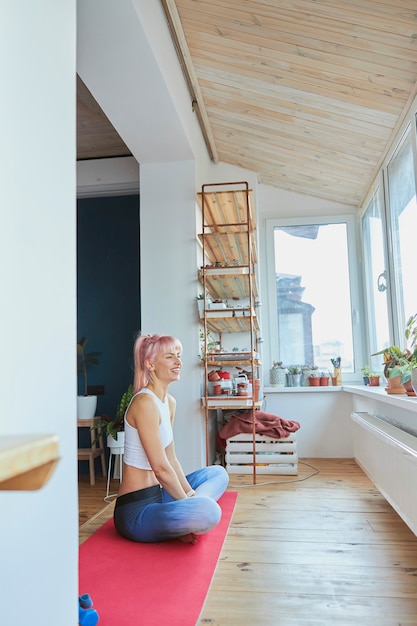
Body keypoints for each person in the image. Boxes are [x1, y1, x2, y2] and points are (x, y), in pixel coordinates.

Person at [113, 333, 229, 544]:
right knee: (209, 512)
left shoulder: (169, 403)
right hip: (136, 511)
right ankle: (189, 518)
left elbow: (171, 459)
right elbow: (160, 468)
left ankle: (187, 517)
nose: (178, 362)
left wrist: (189, 497)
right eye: (169, 357)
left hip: (161, 495)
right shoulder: (144, 403)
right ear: (150, 365)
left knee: (218, 473)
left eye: (178, 355)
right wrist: (188, 503)